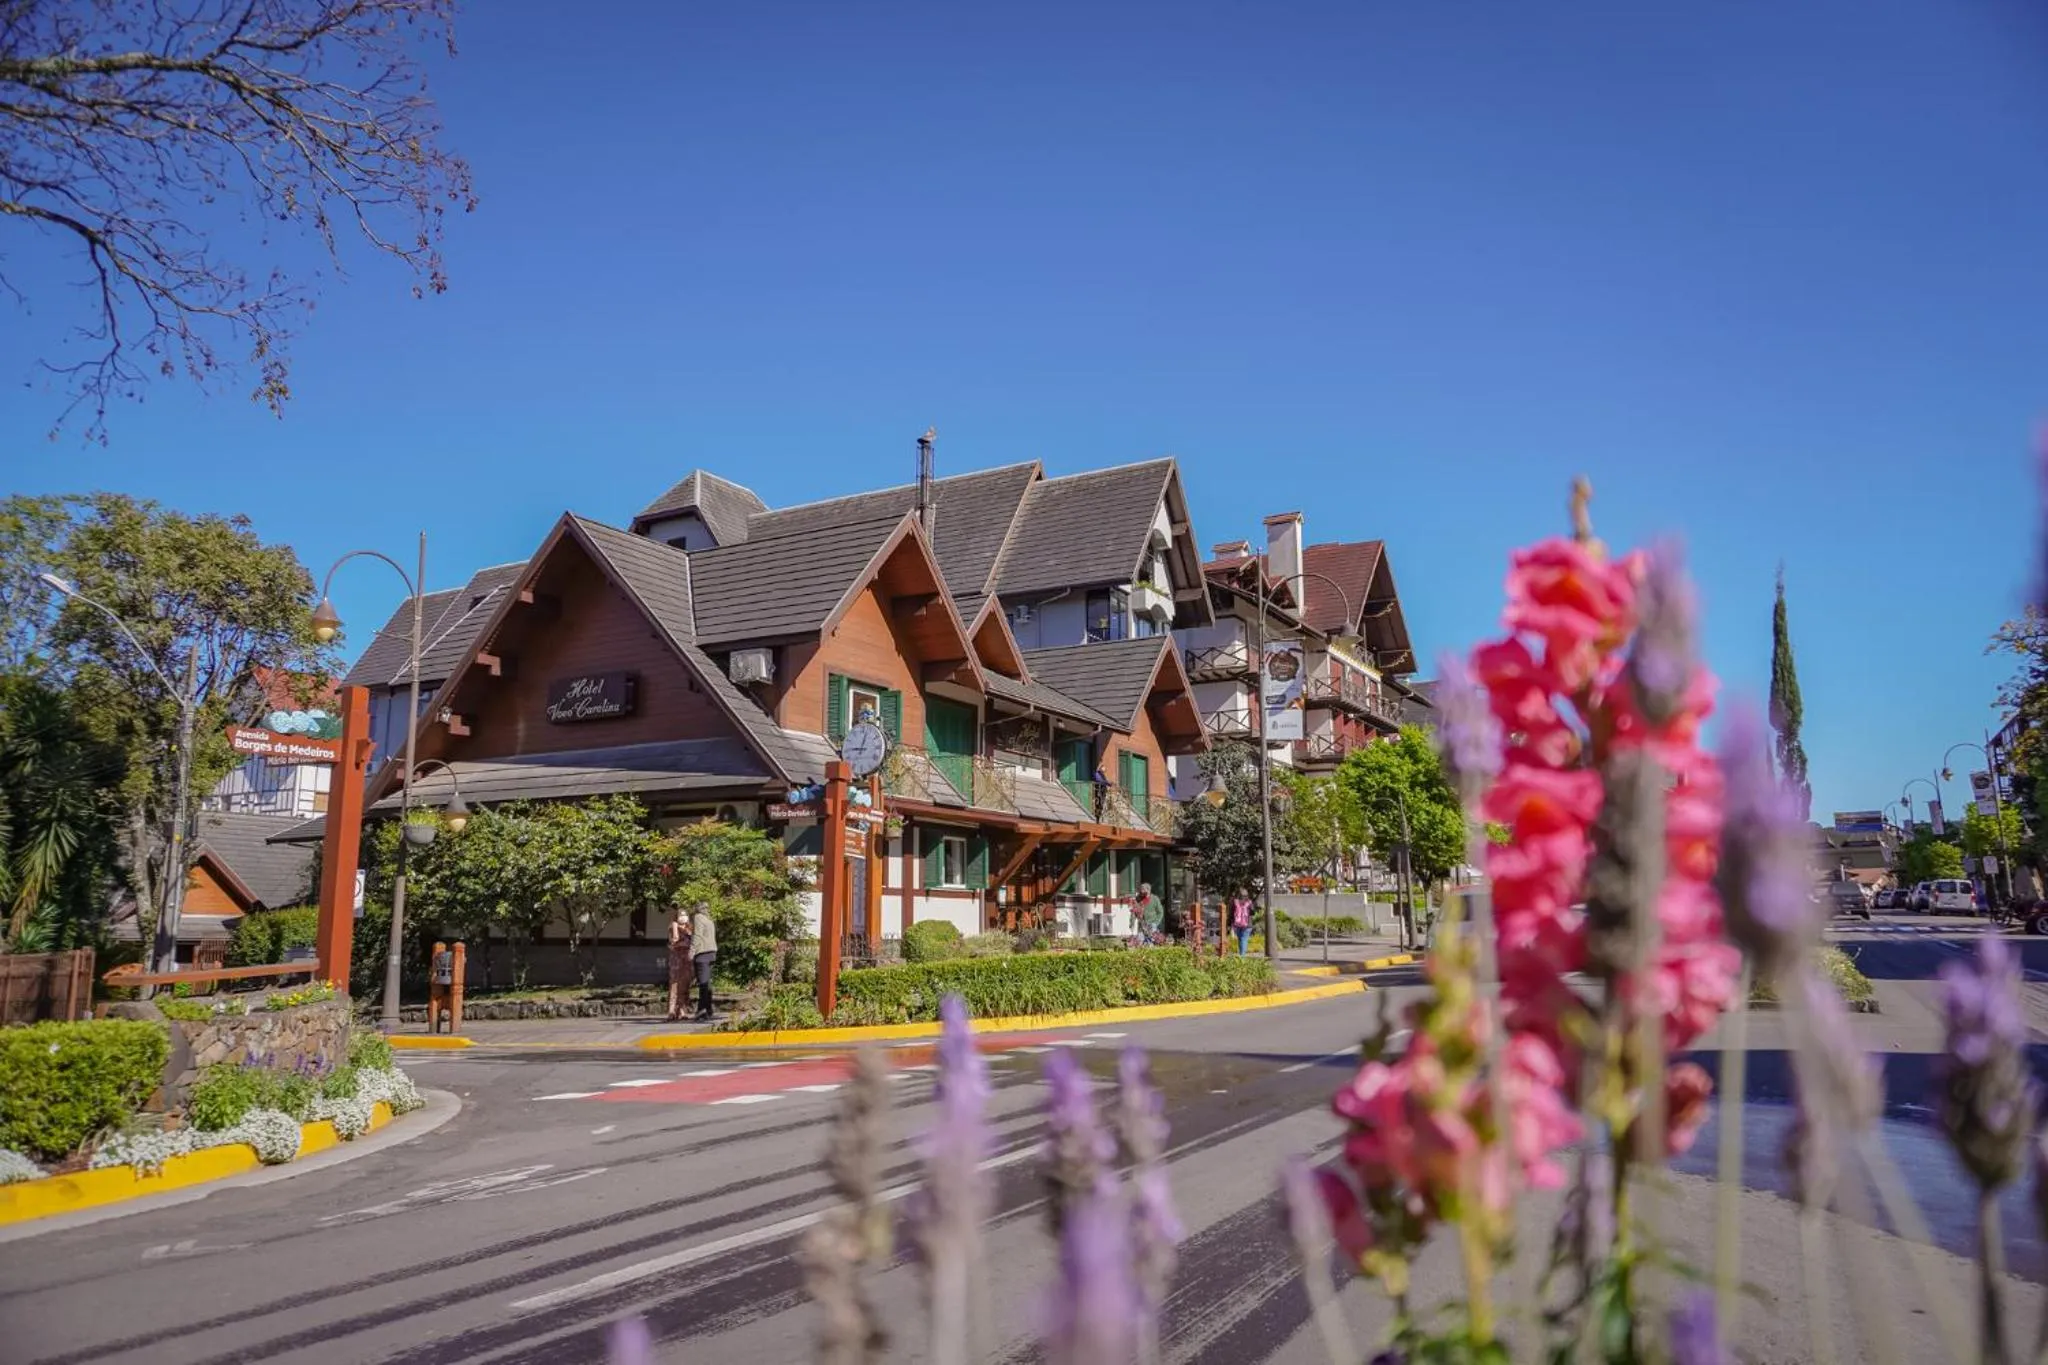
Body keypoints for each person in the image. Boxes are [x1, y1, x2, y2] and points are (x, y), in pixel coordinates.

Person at [689, 902, 718, 1022]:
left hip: (702, 953)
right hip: (711, 952)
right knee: (707, 983)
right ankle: (708, 1009)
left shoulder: (698, 918)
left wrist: (692, 950)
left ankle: (702, 1011)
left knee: (703, 984)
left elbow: (698, 935)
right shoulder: (709, 919)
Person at [666, 913, 693, 1022]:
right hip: (677, 958)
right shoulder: (673, 927)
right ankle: (671, 1011)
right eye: (680, 915)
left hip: (687, 958)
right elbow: (674, 940)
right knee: (674, 984)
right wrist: (675, 925)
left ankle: (682, 1010)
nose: (683, 917)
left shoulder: (690, 928)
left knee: (684, 985)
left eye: (685, 915)